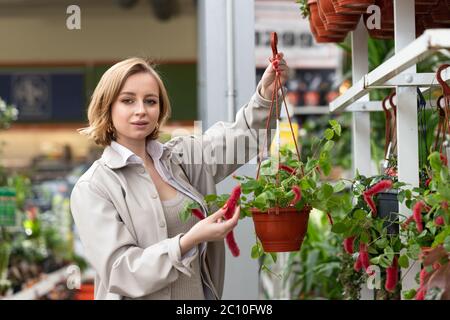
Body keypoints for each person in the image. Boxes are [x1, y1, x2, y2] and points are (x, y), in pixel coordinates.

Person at [70, 53, 289, 300]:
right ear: (107, 107)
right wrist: (188, 241)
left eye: (151, 101)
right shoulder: (94, 187)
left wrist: (267, 94)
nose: (141, 110)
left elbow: (244, 140)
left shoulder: (183, 157)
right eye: (128, 101)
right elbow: (121, 272)